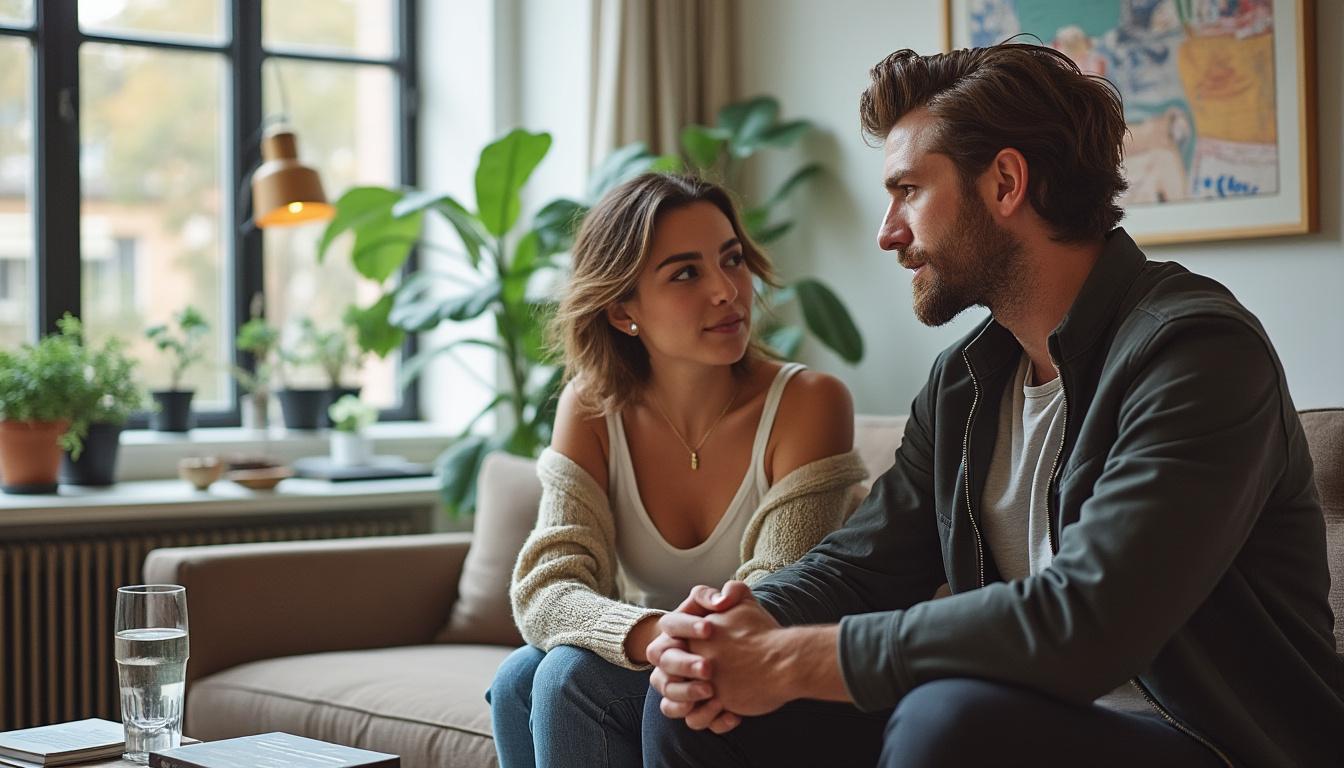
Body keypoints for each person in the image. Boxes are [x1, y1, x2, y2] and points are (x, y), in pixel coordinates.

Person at [643, 44, 1344, 767]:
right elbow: (861, 566)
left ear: (1006, 183)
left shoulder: (1196, 351)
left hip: (1216, 743)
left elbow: (1088, 621)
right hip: (1030, 722)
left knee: (950, 720)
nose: (888, 232)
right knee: (699, 709)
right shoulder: (965, 382)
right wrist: (732, 624)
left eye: (908, 190)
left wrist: (788, 660)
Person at [488, 172, 869, 767]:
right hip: (672, 666)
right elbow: (546, 586)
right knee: (518, 677)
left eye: (732, 259)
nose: (727, 290)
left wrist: (668, 642)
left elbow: (776, 594)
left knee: (567, 675)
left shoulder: (808, 403)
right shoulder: (591, 408)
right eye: (686, 273)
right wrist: (653, 636)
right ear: (622, 311)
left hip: (781, 677)